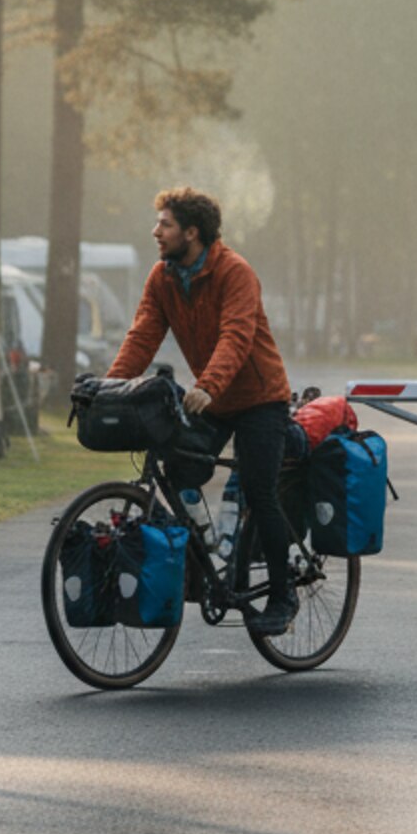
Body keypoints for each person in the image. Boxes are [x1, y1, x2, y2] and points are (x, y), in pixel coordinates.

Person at [105, 186, 297, 635]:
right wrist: (109, 388)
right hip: (214, 399)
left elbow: (237, 336)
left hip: (260, 399)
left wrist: (208, 384)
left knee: (260, 490)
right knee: (178, 469)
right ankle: (213, 555)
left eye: (165, 224)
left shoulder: (235, 272)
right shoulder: (163, 277)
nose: (156, 232)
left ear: (191, 232)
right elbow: (142, 338)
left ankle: (283, 595)